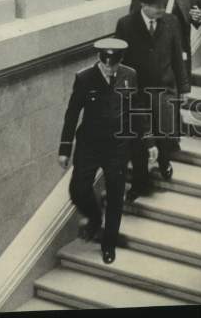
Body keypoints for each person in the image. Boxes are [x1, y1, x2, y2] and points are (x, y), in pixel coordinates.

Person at [58, 38, 137, 265]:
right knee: (78, 189)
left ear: (120, 61)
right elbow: (72, 114)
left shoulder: (129, 75)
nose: (109, 68)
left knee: (115, 196)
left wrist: (146, 143)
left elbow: (133, 112)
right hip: (89, 145)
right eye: (106, 63)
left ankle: (108, 245)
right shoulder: (84, 78)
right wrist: (65, 148)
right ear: (99, 58)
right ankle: (94, 216)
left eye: (114, 64)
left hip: (117, 147)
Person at [115, 0, 189, 201]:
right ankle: (140, 183)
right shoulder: (126, 25)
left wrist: (183, 87)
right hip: (138, 94)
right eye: (157, 6)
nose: (161, 10)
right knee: (139, 140)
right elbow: (120, 63)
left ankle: (164, 162)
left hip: (164, 89)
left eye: (163, 5)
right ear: (143, 5)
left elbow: (177, 55)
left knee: (164, 132)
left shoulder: (171, 22)